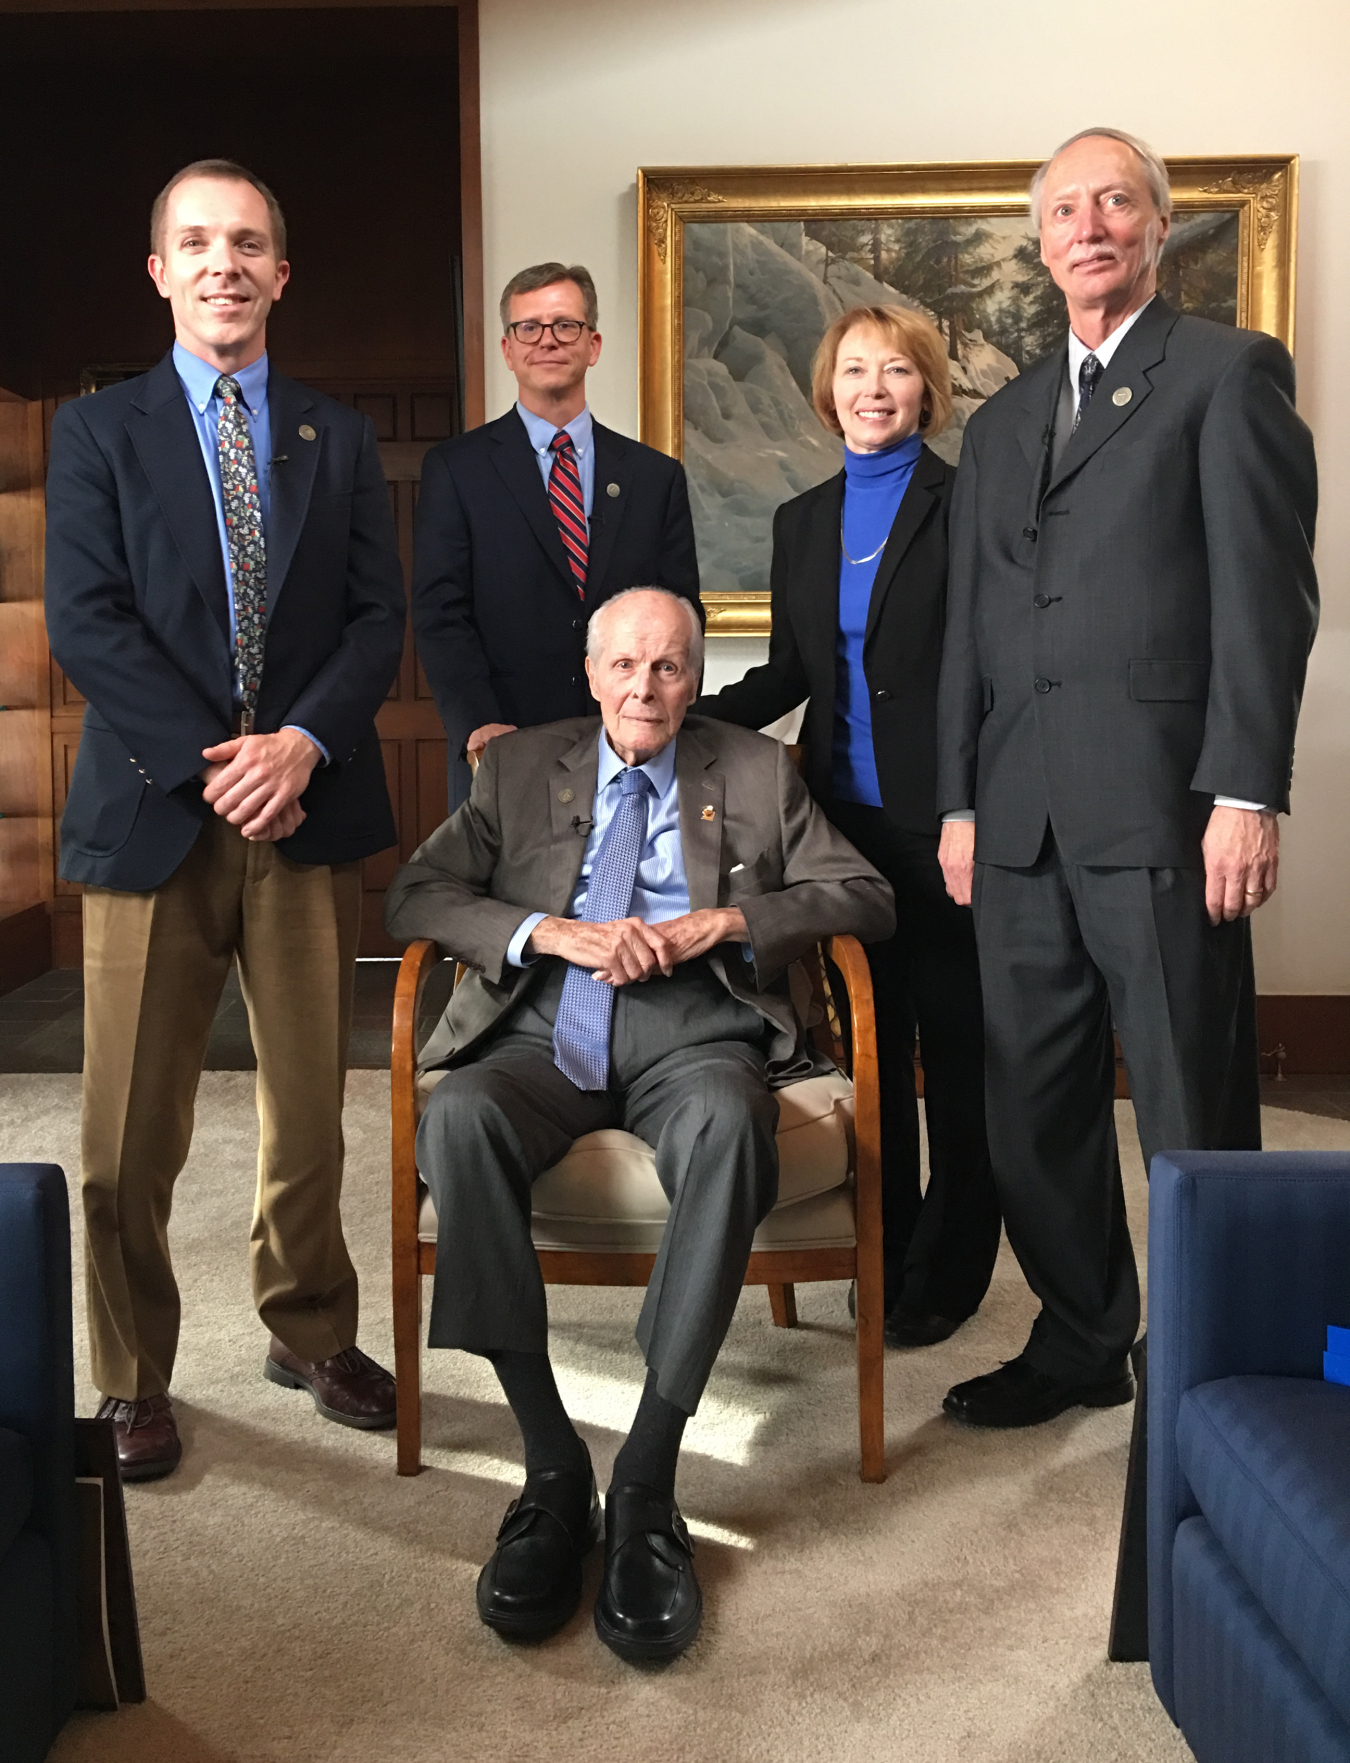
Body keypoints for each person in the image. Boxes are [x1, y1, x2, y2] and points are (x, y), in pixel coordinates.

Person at [384, 588, 893, 1662]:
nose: (645, 687)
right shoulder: (518, 767)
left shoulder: (752, 769)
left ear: (696, 677)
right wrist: (543, 932)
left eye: (668, 667)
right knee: (461, 1117)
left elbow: (865, 893)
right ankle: (553, 1465)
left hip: (696, 1027)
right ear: (590, 672)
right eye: (624, 665)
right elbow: (418, 892)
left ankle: (648, 1477)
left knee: (728, 1120)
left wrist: (731, 919)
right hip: (542, 1030)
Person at [936, 128, 1319, 1429]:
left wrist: (1244, 791)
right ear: (1039, 241)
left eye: (1115, 201)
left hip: (1164, 810)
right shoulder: (995, 424)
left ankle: (1220, 1358)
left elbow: (1267, 604)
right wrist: (957, 801)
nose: (1087, 223)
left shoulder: (1221, 374)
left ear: (1158, 229)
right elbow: (972, 634)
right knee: (1030, 1108)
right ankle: (1081, 1333)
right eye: (1063, 207)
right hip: (1019, 820)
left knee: (1190, 1108)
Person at [44, 159, 407, 1481]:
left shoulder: (336, 433)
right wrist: (221, 766)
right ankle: (132, 1373)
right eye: (195, 242)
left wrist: (300, 743)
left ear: (280, 272)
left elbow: (379, 618)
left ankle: (307, 1327)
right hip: (154, 816)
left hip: (304, 814)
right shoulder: (97, 433)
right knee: (126, 1133)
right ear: (159, 269)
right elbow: (90, 621)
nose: (223, 264)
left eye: (247, 243)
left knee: (309, 1111)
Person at [696, 305, 1000, 1348]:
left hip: (945, 823)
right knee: (876, 1045)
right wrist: (675, 717)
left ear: (927, 389)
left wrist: (971, 809)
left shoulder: (966, 507)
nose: (875, 388)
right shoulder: (803, 521)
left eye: (899, 370)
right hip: (840, 827)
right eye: (857, 370)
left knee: (957, 1048)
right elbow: (789, 674)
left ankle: (954, 1269)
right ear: (828, 387)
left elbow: (988, 676)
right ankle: (893, 1244)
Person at [412, 261, 701, 806]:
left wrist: (664, 709)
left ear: (592, 344)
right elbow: (439, 613)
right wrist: (479, 723)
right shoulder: (457, 469)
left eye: (565, 325)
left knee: (628, 892)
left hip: (631, 747)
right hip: (502, 748)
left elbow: (682, 613)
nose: (547, 340)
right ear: (507, 349)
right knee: (506, 893)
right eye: (529, 327)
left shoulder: (654, 477)